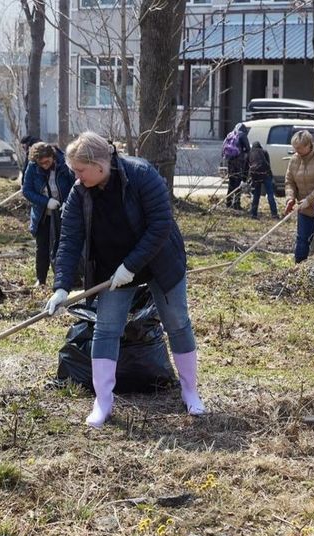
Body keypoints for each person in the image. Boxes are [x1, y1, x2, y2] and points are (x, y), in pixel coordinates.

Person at [44, 131, 206, 428]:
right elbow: (69, 239)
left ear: (100, 164)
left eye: (79, 169)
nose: (76, 176)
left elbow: (161, 224)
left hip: (159, 260)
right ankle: (103, 401)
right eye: (73, 170)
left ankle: (190, 392)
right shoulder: (80, 192)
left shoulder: (141, 174)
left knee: (177, 322)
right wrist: (62, 287)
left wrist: (131, 265)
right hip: (112, 268)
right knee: (106, 329)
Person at [21, 141, 75, 287]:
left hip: (64, 210)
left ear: (53, 156)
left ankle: (68, 279)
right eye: (41, 163)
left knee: (64, 245)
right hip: (42, 214)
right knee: (42, 246)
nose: (45, 165)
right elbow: (27, 190)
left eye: (47, 162)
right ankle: (41, 279)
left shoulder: (65, 164)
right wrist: (46, 202)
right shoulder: (32, 167)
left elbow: (75, 184)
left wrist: (69, 202)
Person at [283, 130, 314, 263]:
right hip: (304, 209)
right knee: (302, 240)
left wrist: (309, 200)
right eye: (295, 148)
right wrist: (290, 198)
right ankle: (299, 266)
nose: (296, 151)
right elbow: (289, 181)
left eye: (299, 148)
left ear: (309, 145)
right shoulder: (294, 159)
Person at [247, 141, 278, 219]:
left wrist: (245, 179)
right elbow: (268, 165)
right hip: (265, 175)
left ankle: (253, 214)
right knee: (270, 194)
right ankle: (274, 214)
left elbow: (246, 166)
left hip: (256, 176)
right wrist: (271, 177)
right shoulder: (264, 152)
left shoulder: (250, 153)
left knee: (256, 195)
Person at [224, 123, 250, 210]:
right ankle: (236, 204)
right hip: (239, 163)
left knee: (231, 183)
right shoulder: (242, 135)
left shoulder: (230, 135)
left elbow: (223, 148)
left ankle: (228, 203)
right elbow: (248, 148)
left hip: (230, 162)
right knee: (238, 183)